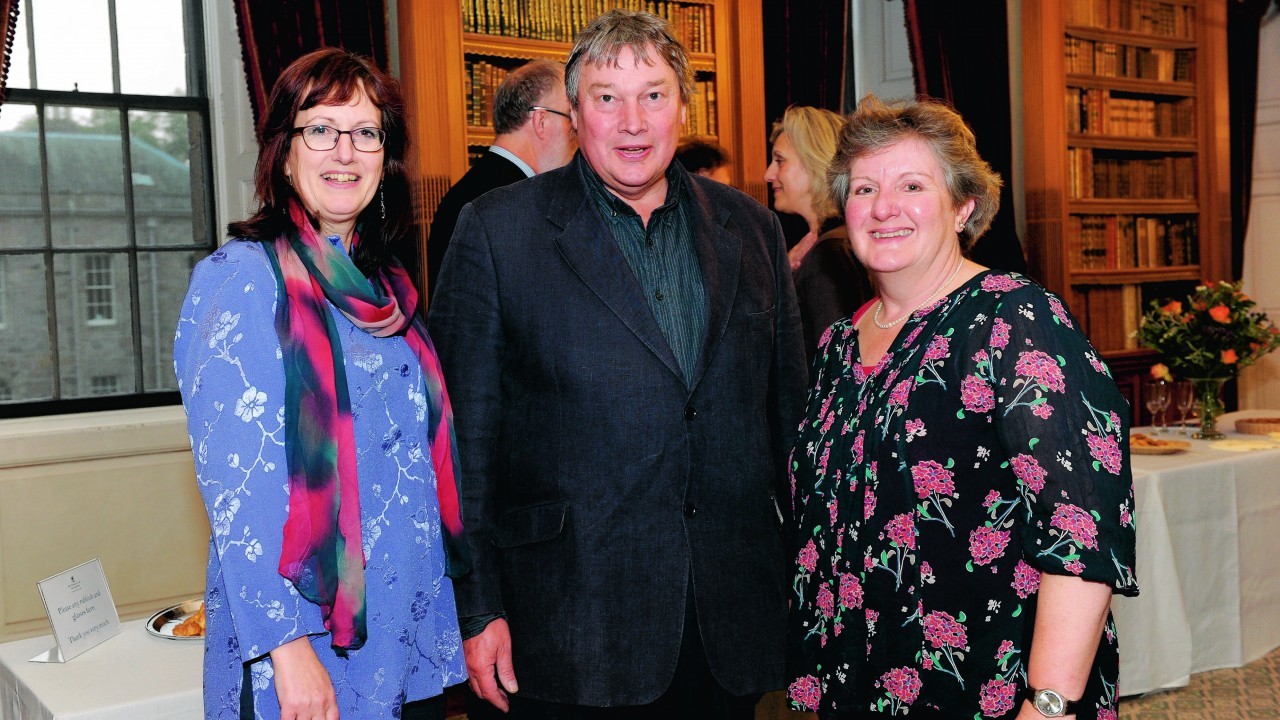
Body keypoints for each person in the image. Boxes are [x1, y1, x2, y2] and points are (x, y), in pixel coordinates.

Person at [428, 9, 807, 720]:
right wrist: (476, 609)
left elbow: (791, 424)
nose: (632, 121)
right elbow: (459, 446)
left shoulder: (751, 229)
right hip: (568, 625)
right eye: (607, 98)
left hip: (728, 622)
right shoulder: (498, 231)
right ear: (574, 113)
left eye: (654, 95)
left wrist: (808, 577)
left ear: (683, 109)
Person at [785, 95, 1137, 719]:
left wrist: (1048, 704)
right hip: (857, 688)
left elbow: (1082, 529)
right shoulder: (839, 345)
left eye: (912, 185)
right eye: (864, 188)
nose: (884, 207)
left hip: (990, 691)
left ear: (962, 206)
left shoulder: (1015, 319)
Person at [174, 48, 469, 720]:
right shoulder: (243, 280)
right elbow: (238, 494)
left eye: (366, 132)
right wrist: (288, 650)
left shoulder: (389, 289)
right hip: (312, 657)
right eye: (321, 129)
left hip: (402, 641)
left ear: (385, 158)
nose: (346, 150)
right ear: (284, 152)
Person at [427, 59, 577, 298]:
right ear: (541, 122)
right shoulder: (517, 201)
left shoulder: (469, 189)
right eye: (572, 120)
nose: (578, 133)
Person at [765, 106, 873, 359]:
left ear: (815, 161)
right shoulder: (829, 242)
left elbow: (837, 362)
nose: (768, 174)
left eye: (779, 161)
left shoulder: (830, 252)